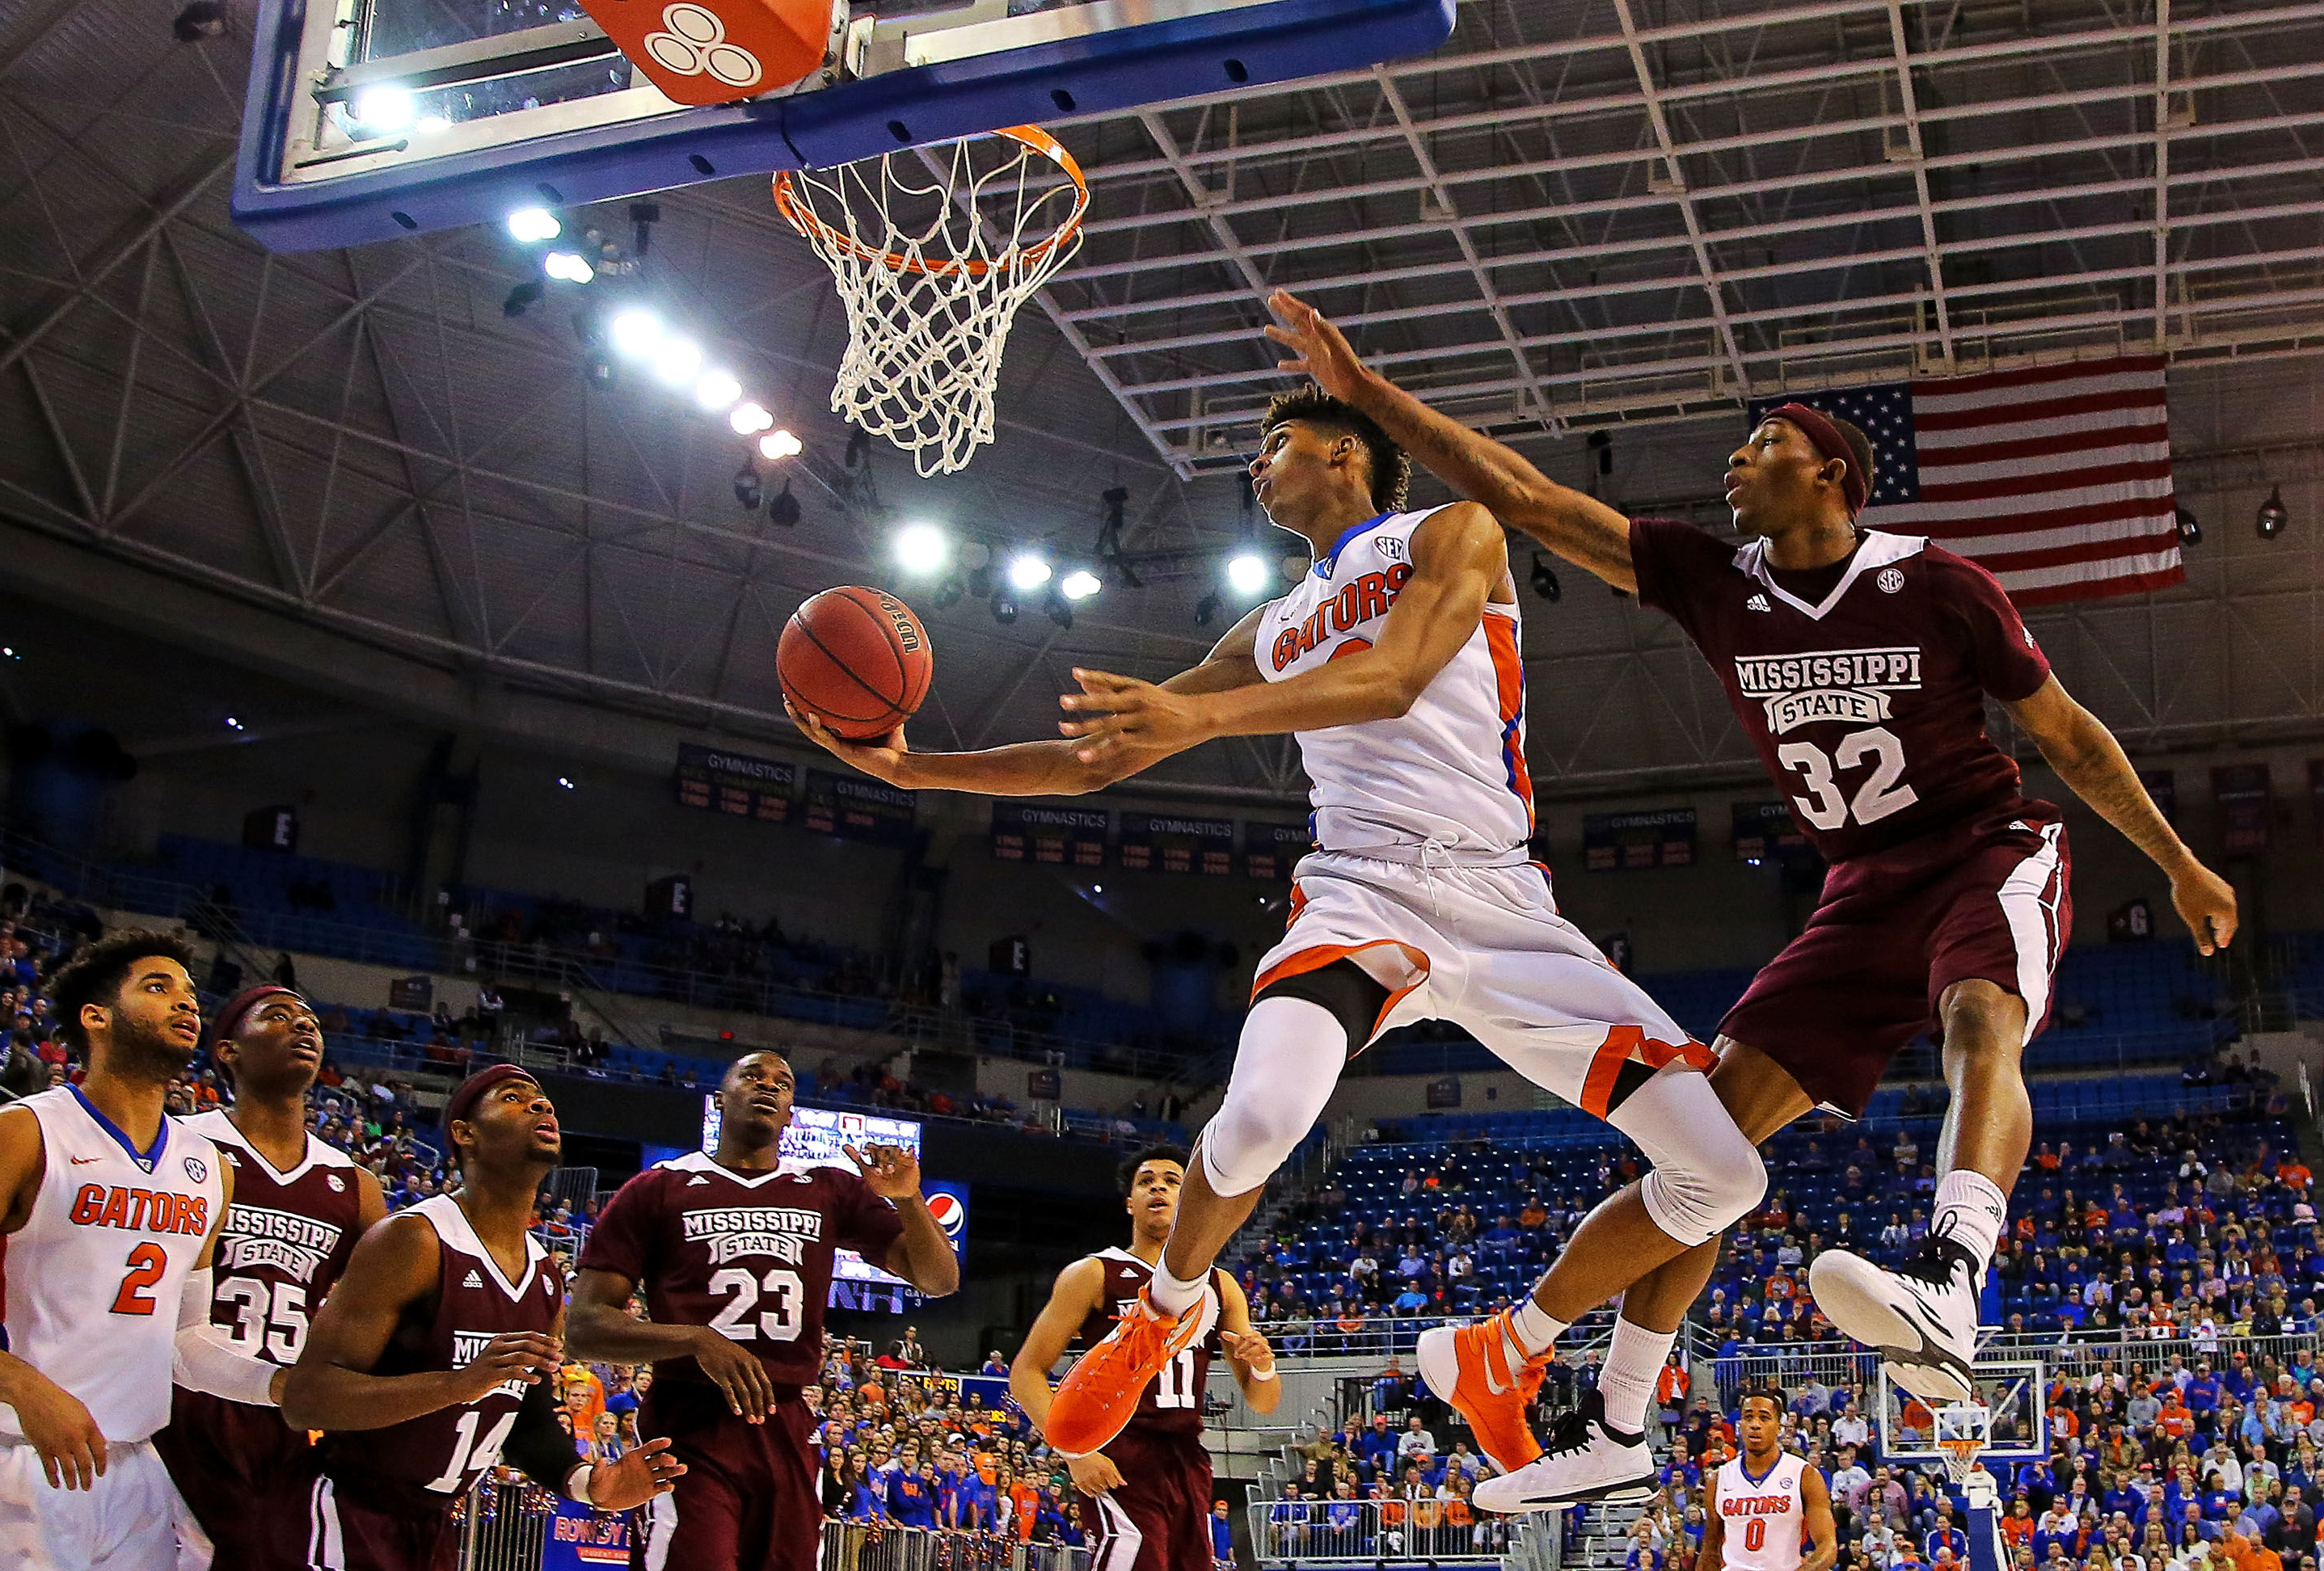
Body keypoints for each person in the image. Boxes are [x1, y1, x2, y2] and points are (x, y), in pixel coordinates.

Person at [1265, 289, 2239, 1495]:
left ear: (1829, 472)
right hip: (1856, 891)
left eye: (1762, 443)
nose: (1736, 459)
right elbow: (1526, 499)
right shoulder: (1718, 581)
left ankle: (1951, 1274)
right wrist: (1370, 397)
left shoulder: (1940, 585)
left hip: (1985, 848)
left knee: (1981, 1017)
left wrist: (2176, 860)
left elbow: (2073, 737)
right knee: (1705, 1150)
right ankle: (1601, 1416)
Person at [795, 381, 1761, 1495]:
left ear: (1346, 456)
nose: (1256, 468)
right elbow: (1100, 759)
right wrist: (920, 770)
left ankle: (1510, 1348)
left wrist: (1200, 714)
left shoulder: (1454, 531)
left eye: (1276, 443)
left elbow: (1397, 680)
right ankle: (1165, 1313)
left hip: (1500, 903)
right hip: (1356, 894)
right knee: (1255, 1122)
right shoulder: (1269, 627)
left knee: (1722, 1175)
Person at [0, 932, 262, 1571]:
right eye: (158, 987)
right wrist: (26, 1389)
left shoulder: (209, 1166)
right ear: (96, 1017)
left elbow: (188, 1337)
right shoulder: (18, 1134)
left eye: (190, 995)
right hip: (10, 1456)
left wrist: (282, 1385)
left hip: (136, 1468)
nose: (186, 1005)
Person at [565, 1051, 960, 1571]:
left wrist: (908, 1200)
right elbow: (585, 1327)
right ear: (720, 1100)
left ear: (791, 1112)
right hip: (691, 1419)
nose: (768, 1086)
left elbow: (939, 1279)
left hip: (788, 1421)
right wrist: (695, 1340)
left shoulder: (827, 1188)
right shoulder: (659, 1187)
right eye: (752, 1076)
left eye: (783, 1082)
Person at [278, 1065, 681, 1568]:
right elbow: (307, 1399)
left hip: (436, 1525)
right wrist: (458, 1385)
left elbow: (525, 1416)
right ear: (465, 1134)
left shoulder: (545, 1276)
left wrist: (590, 1482)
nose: (542, 1106)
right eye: (514, 1098)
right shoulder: (414, 1240)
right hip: (349, 1509)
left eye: (544, 1100)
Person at [157, 984, 386, 1571]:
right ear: (228, 1050)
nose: (303, 1027)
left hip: (284, 1417)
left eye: (310, 1019)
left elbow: (387, 1313)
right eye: (279, 1017)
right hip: (172, 1403)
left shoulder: (352, 1182)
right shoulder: (180, 1143)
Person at [1009, 1146, 1283, 1571]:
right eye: (1146, 1180)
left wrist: (1262, 1364)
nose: (1159, 1186)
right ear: (1130, 1203)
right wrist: (1076, 1453)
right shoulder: (1095, 1273)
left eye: (1173, 1181)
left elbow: (1263, 1402)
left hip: (1187, 1455)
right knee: (1134, 1557)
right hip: (1119, 1449)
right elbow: (1026, 1372)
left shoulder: (1220, 1285)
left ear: (1189, 1198)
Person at [1700, 1388, 1833, 1571]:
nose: (1755, 1424)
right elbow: (1710, 1551)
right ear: (1740, 1425)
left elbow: (1827, 1544)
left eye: (1764, 1418)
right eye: (1748, 1417)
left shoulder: (1804, 1475)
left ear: (1779, 1427)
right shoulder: (1718, 1479)